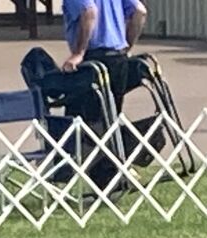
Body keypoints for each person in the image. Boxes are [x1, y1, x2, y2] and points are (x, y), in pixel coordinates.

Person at [61, 0, 149, 189]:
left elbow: (89, 11)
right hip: (118, 57)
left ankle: (93, 173)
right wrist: (128, 46)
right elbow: (139, 11)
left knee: (86, 119)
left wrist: (79, 52)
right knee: (111, 117)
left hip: (94, 58)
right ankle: (115, 169)